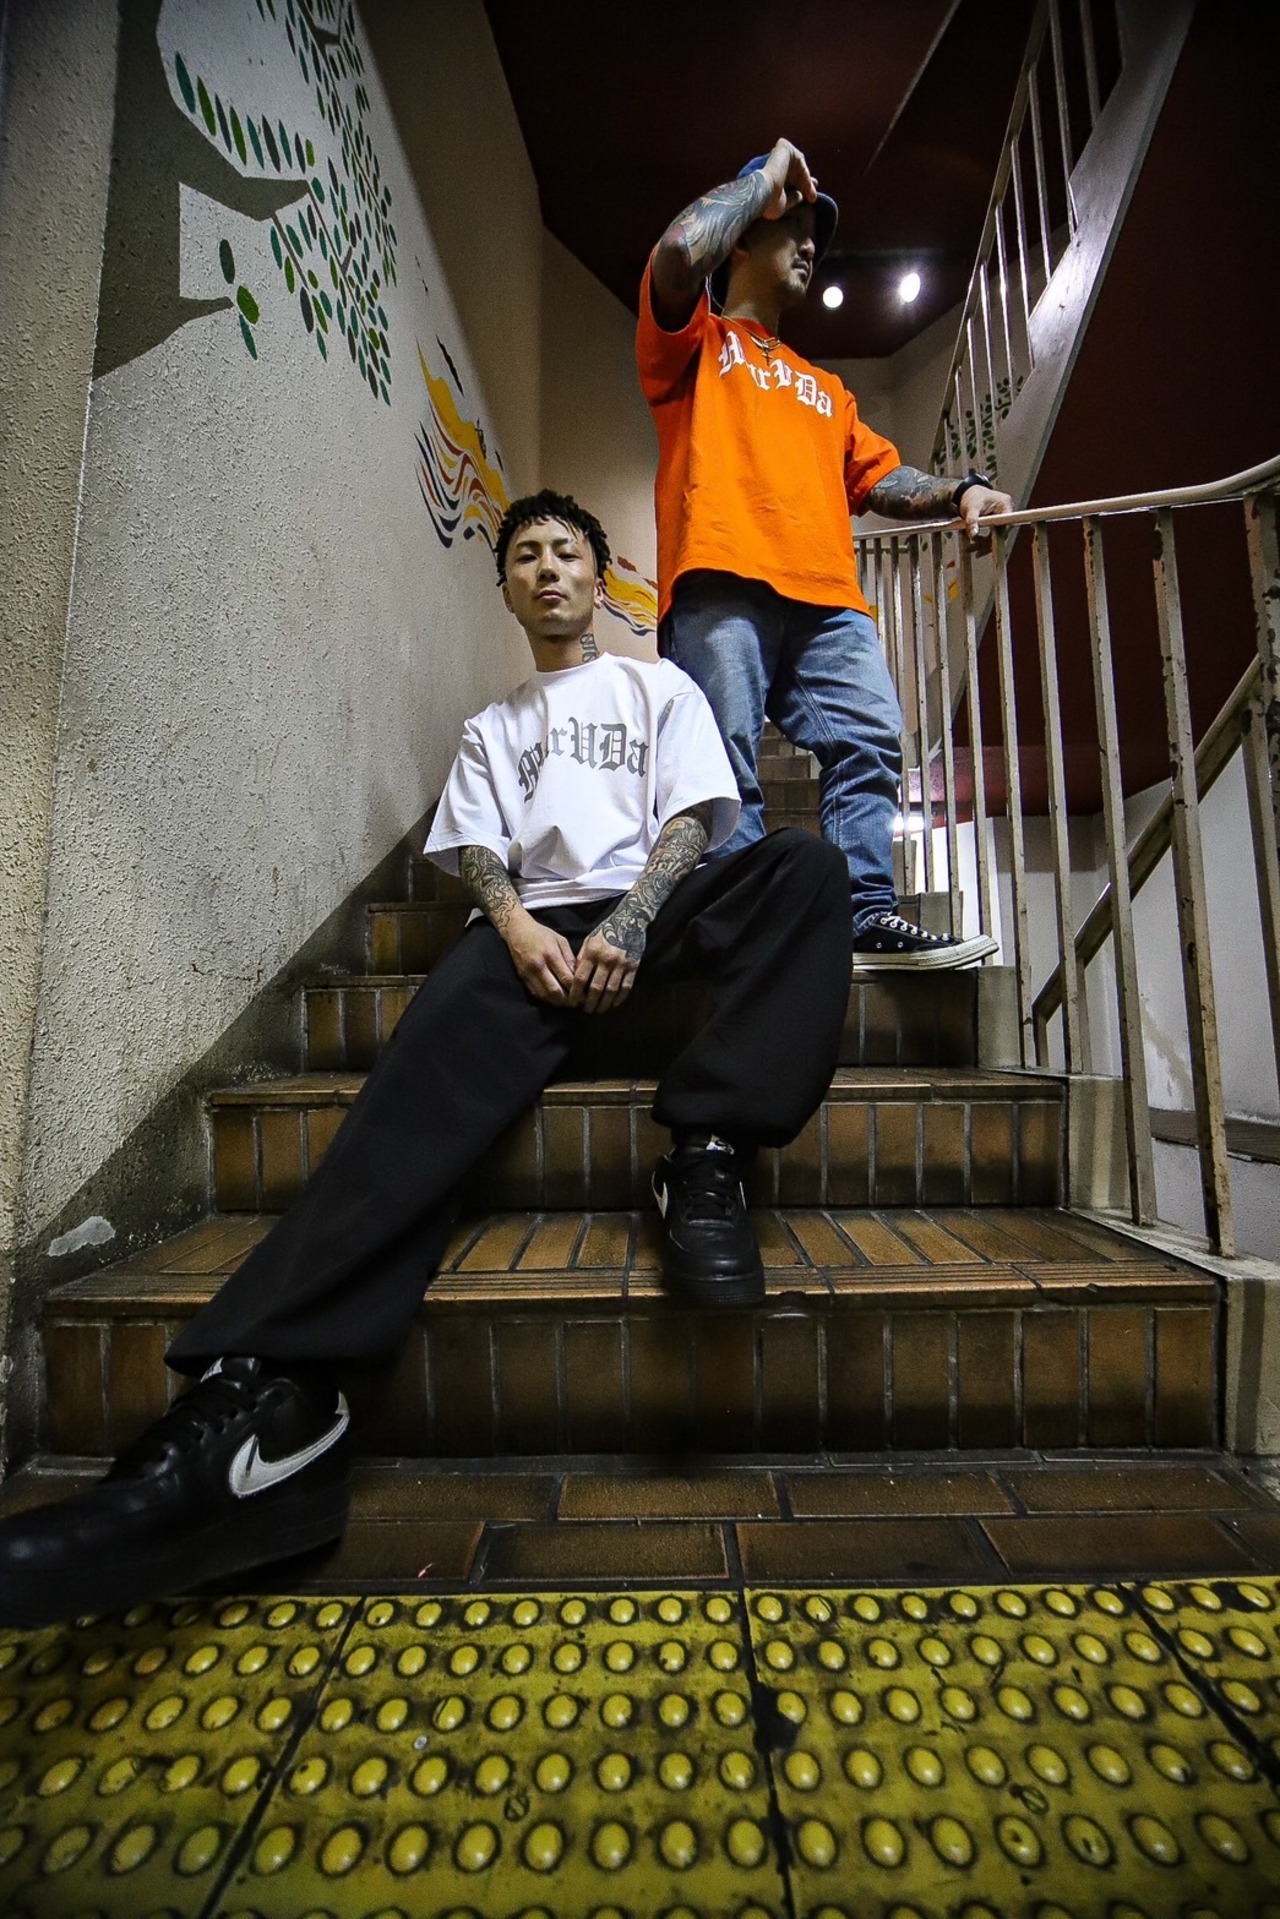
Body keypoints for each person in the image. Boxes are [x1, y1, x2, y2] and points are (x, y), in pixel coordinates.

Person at [0, 491, 853, 1627]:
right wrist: (516, 928)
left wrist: (635, 918)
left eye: (566, 552)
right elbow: (483, 858)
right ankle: (272, 1405)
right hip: (535, 938)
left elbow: (694, 819)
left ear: (599, 576)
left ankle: (705, 1151)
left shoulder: (659, 687)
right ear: (506, 589)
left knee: (806, 870)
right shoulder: (492, 727)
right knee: (422, 1065)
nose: (546, 569)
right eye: (524, 556)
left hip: (656, 916)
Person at [639, 137, 1014, 968]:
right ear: (743, 236)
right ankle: (752, 932)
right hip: (720, 577)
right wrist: (765, 180)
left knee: (871, 738)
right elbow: (677, 255)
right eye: (792, 228)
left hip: (827, 599)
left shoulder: (828, 391)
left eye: (815, 236)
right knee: (725, 763)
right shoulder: (694, 345)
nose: (810, 246)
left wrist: (962, 491)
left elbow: (885, 476)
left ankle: (863, 913)